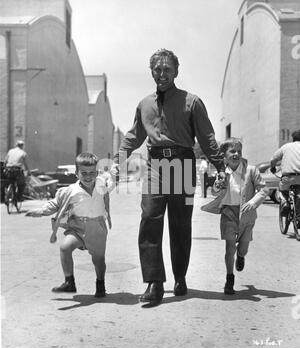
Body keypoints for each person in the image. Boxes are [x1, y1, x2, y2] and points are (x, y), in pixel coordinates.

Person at [112, 49, 225, 305]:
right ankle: (154, 282)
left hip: (183, 165)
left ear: (176, 72)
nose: (162, 74)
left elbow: (207, 137)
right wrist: (119, 161)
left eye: (167, 69)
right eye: (157, 69)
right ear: (151, 71)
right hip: (154, 166)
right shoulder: (144, 104)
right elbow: (133, 136)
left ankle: (180, 276)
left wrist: (220, 166)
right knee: (149, 218)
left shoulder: (192, 101)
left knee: (180, 224)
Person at [25, 153, 115, 298]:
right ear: (76, 173)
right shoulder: (71, 190)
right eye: (83, 173)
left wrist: (113, 173)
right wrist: (41, 211)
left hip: (97, 227)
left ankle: (100, 283)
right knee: (65, 247)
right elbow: (56, 203)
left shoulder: (102, 185)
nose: (88, 176)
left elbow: (112, 180)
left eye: (92, 172)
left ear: (97, 172)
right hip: (78, 226)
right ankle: (69, 282)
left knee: (98, 259)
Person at [201, 138, 269, 295]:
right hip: (228, 213)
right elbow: (215, 192)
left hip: (247, 213)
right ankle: (229, 278)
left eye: (239, 151)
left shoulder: (251, 170)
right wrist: (217, 185)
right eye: (232, 151)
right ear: (224, 156)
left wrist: (253, 202)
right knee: (229, 247)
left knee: (243, 247)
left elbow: (264, 190)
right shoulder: (221, 172)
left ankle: (241, 255)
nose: (236, 154)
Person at [270, 129, 300, 215]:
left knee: (283, 190)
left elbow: (273, 159)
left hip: (288, 177)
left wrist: (273, 167)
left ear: (293, 138)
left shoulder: (286, 146)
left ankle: (285, 203)